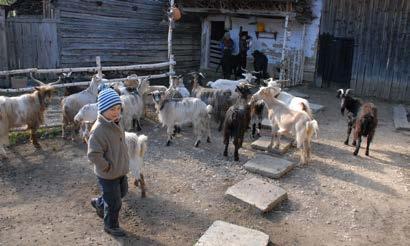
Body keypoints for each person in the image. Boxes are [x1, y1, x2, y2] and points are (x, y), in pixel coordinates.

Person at [87, 88, 129, 237]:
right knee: (114, 203)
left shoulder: (116, 122)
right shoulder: (98, 131)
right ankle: (110, 225)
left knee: (122, 192)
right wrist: (107, 167)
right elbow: (93, 154)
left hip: (120, 170)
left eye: (118, 108)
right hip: (108, 173)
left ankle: (99, 203)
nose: (116, 112)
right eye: (112, 109)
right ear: (102, 109)